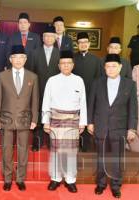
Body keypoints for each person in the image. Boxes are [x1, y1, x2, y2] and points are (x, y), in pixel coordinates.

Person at [87, 54, 138, 198]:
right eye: (108, 66)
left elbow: (133, 108)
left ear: (120, 67)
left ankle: (116, 185)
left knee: (117, 158)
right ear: (104, 68)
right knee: (100, 157)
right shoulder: (97, 83)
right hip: (100, 126)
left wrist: (132, 128)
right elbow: (91, 104)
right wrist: (90, 122)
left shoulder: (130, 84)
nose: (110, 69)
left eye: (114, 66)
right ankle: (101, 183)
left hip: (119, 128)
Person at [0, 45, 39, 191]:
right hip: (6, 118)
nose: (18, 60)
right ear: (10, 59)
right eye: (15, 57)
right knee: (6, 150)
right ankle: (7, 179)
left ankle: (20, 178)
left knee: (23, 150)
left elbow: (35, 100)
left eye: (21, 57)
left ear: (25, 59)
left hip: (25, 119)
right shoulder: (2, 75)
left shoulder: (33, 77)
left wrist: (34, 119)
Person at [42, 50, 87, 193]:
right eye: (63, 63)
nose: (66, 66)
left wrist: (83, 122)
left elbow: (83, 103)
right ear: (59, 65)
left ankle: (70, 180)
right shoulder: (52, 80)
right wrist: (45, 121)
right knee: (56, 151)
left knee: (71, 152)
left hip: (73, 121)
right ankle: (55, 178)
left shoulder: (79, 80)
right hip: (55, 120)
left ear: (73, 65)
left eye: (68, 63)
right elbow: (46, 102)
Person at [28, 24, 60, 151]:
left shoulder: (60, 53)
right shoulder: (34, 53)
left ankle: (52, 143)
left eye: (51, 36)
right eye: (46, 36)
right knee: (39, 116)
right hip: (38, 90)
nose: (48, 38)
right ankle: (38, 142)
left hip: (55, 92)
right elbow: (30, 73)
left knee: (54, 117)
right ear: (42, 38)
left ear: (55, 38)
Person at [73, 32, 102, 152]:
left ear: (89, 44)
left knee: (87, 120)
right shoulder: (72, 59)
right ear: (77, 44)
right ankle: (75, 145)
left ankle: (86, 147)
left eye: (85, 42)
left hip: (90, 95)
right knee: (75, 120)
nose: (83, 44)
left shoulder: (96, 60)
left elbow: (99, 78)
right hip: (74, 96)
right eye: (80, 43)